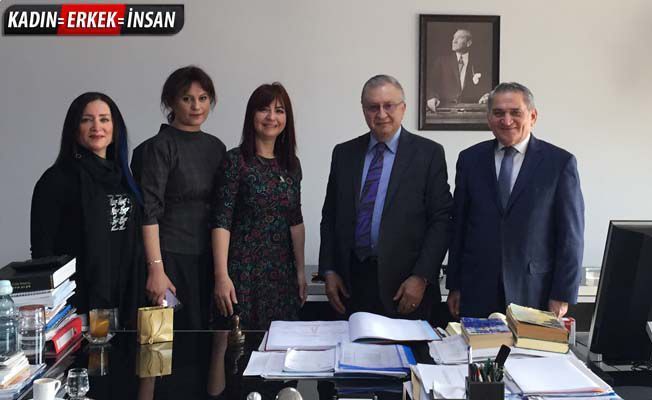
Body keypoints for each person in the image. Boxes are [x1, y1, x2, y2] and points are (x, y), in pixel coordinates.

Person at [446, 82, 585, 319]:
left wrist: (562, 293)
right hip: (477, 289)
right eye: (498, 113)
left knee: (530, 346)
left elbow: (571, 235)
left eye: (515, 112)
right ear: (489, 118)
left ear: (533, 116)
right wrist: (455, 284)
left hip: (535, 291)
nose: (507, 120)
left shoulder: (559, 163)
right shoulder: (470, 160)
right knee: (477, 345)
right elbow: (459, 226)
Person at [319, 75, 453, 319]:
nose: (381, 114)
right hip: (351, 285)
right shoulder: (344, 154)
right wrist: (328, 270)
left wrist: (421, 276)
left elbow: (441, 220)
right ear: (363, 110)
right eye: (373, 107)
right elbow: (329, 216)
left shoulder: (428, 154)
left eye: (388, 105)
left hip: (406, 288)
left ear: (403, 108)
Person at [30, 92, 144, 326]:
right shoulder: (56, 180)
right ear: (74, 128)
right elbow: (42, 252)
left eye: (104, 119)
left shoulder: (123, 178)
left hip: (126, 299)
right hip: (78, 305)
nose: (96, 127)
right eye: (86, 120)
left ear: (115, 128)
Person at [132, 66, 226, 329]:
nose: (196, 106)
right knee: (172, 337)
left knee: (207, 337)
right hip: (170, 258)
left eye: (203, 98)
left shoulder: (216, 147)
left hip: (209, 258)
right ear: (171, 102)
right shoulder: (159, 146)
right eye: (187, 99)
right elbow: (149, 212)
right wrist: (156, 269)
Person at [211, 83, 306, 330]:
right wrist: (221, 276)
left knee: (281, 342)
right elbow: (222, 221)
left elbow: (296, 220)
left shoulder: (291, 164)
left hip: (282, 274)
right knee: (237, 346)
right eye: (264, 109)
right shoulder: (235, 160)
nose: (271, 117)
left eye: (279, 110)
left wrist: (300, 272)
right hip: (243, 272)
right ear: (251, 115)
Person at [427, 28, 491, 111]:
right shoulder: (442, 62)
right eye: (454, 38)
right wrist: (432, 97)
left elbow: (486, 87)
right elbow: (430, 85)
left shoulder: (480, 63)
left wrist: (486, 96)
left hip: (472, 110)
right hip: (445, 110)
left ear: (468, 43)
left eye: (459, 37)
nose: (454, 41)